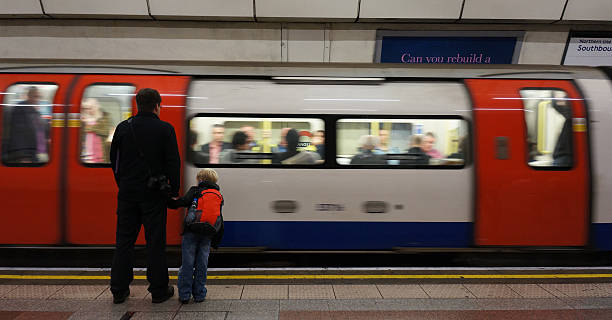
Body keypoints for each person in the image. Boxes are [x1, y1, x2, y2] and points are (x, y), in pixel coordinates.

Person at [109, 88, 180, 304]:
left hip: (128, 194)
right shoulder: (165, 129)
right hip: (153, 195)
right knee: (155, 242)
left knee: (124, 242)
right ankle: (158, 290)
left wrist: (124, 184)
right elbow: (172, 163)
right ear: (158, 105)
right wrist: (172, 191)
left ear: (137, 105)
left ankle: (119, 290)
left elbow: (115, 162)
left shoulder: (123, 128)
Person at [167, 168, 224, 304]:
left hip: (191, 232)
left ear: (201, 179)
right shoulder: (218, 195)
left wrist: (168, 200)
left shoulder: (195, 191)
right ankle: (199, 294)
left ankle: (185, 295)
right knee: (202, 263)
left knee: (187, 263)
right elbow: (218, 217)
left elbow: (181, 202)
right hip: (207, 233)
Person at [4, 86, 47, 163]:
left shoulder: (35, 111)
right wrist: (23, 156)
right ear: (29, 96)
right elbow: (18, 134)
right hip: (26, 155)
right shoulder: (20, 108)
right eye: (35, 96)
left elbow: (40, 129)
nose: (37, 99)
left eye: (38, 97)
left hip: (36, 153)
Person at [81, 98, 111, 163]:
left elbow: (104, 131)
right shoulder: (83, 119)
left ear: (96, 107)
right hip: (87, 154)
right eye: (86, 108)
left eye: (90, 108)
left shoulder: (104, 117)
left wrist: (89, 127)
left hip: (101, 153)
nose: (88, 110)